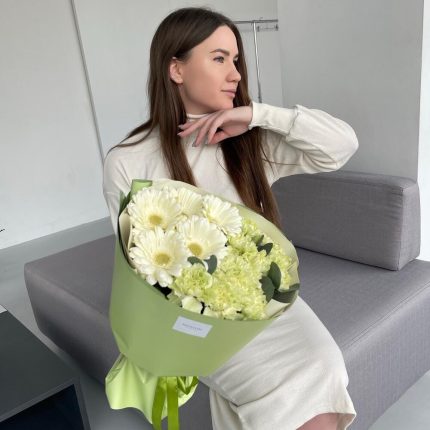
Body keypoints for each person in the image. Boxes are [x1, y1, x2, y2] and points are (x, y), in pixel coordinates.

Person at [103, 6, 359, 430]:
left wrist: (257, 115)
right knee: (291, 398)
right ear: (176, 69)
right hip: (196, 320)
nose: (236, 74)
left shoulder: (249, 141)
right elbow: (137, 265)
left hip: (260, 302)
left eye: (236, 60)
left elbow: (342, 146)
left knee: (326, 365)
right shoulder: (127, 160)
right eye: (219, 58)